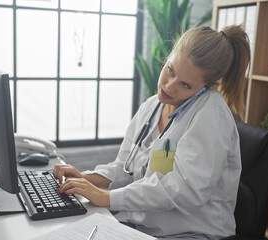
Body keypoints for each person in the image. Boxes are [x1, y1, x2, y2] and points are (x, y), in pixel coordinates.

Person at [53, 25, 250, 239]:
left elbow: (184, 190)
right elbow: (125, 169)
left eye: (185, 84)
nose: (169, 86)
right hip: (143, 226)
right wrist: (86, 179)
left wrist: (107, 197)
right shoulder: (152, 106)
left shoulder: (211, 112)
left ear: (205, 88)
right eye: (170, 70)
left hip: (190, 232)